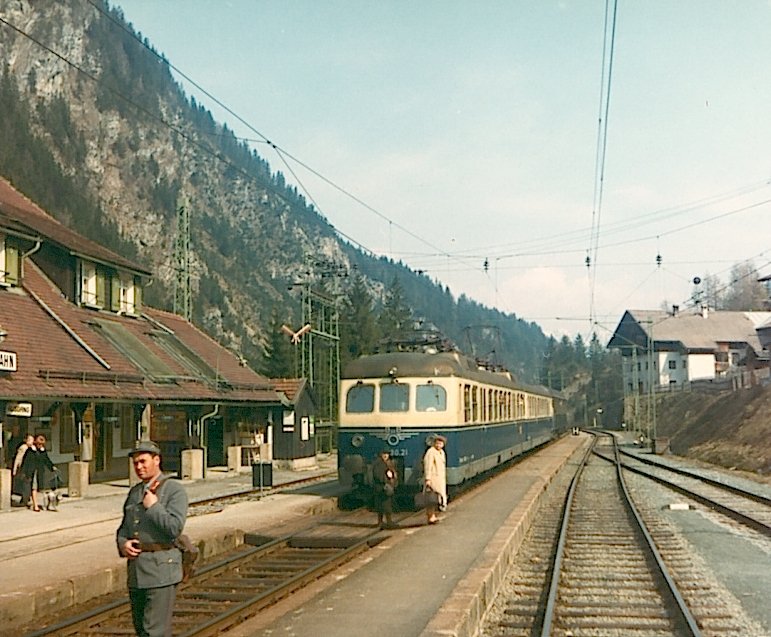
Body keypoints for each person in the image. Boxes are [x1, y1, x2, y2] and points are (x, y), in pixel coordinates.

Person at [117, 441, 188, 637]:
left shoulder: (174, 490)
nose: (139, 467)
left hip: (161, 571)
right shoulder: (135, 492)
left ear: (157, 460)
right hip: (137, 572)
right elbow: (124, 528)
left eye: (143, 462)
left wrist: (154, 507)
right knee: (142, 630)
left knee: (154, 632)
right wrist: (123, 544)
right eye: (135, 463)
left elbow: (174, 528)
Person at [422, 435, 447, 525]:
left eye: (441, 443)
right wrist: (428, 479)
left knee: (436, 498)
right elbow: (428, 466)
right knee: (431, 499)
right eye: (437, 443)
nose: (439, 445)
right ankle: (431, 517)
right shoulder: (431, 452)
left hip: (439, 478)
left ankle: (433, 515)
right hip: (433, 478)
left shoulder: (441, 452)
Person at [372, 448, 398, 529]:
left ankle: (384, 521)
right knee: (384, 505)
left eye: (387, 454)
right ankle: (385, 522)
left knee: (386, 504)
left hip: (386, 487)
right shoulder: (378, 463)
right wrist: (387, 477)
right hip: (381, 487)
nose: (386, 455)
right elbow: (377, 475)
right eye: (384, 454)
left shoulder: (388, 463)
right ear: (381, 454)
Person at [31, 434, 57, 511]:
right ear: (35, 442)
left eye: (42, 444)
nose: (40, 445)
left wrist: (52, 467)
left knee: (38, 488)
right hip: (32, 471)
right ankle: (35, 505)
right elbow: (27, 461)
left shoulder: (42, 451)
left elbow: (46, 460)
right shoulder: (31, 450)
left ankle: (44, 504)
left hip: (40, 471)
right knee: (34, 487)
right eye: (39, 443)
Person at [12, 433, 34, 507]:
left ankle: (26, 498)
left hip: (31, 468)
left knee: (28, 484)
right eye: (30, 440)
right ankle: (25, 499)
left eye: (32, 440)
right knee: (25, 483)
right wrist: (15, 469)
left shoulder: (33, 448)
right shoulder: (23, 448)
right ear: (26, 441)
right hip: (23, 468)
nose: (31, 442)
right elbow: (18, 459)